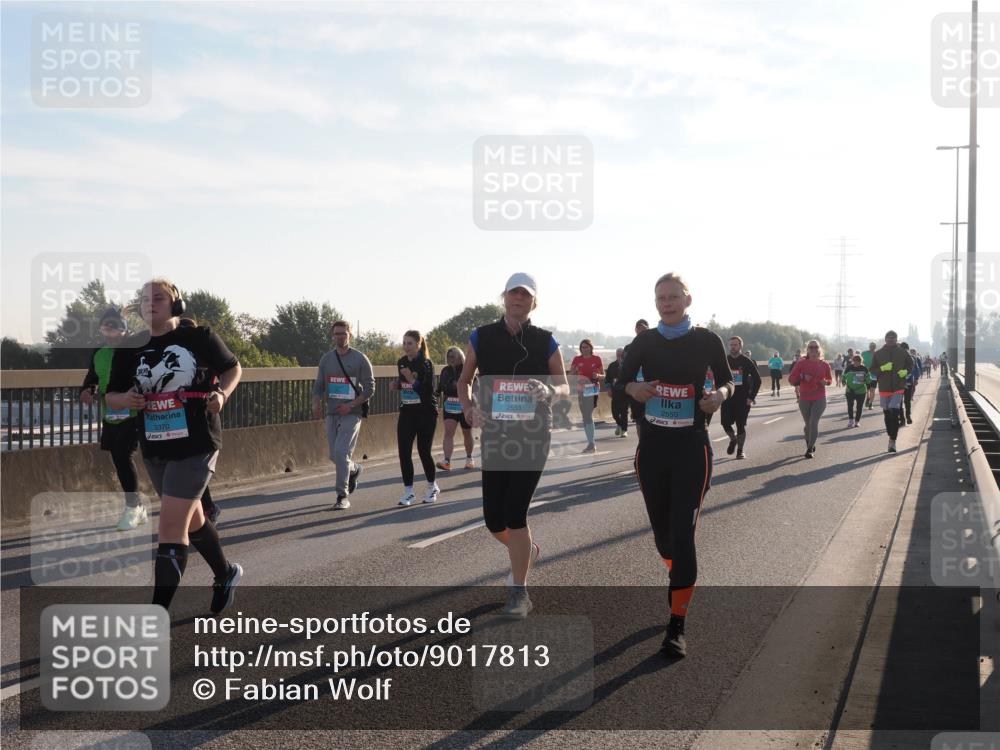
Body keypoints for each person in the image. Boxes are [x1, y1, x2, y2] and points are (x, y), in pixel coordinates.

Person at [106, 279, 243, 614]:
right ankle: (225, 573)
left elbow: (233, 368)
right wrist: (126, 399)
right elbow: (111, 396)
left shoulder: (199, 338)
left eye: (159, 298)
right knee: (191, 519)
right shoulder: (129, 348)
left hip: (197, 444)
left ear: (175, 304)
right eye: (144, 299)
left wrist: (222, 394)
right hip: (155, 445)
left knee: (169, 526)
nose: (150, 303)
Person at [620, 272, 732, 659]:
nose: (666, 303)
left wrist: (719, 395)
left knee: (683, 537)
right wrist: (633, 387)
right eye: (660, 298)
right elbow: (618, 382)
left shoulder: (707, 340)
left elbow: (728, 381)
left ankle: (677, 623)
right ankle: (678, 572)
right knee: (664, 539)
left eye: (673, 297)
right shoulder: (645, 341)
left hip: (691, 450)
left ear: (687, 299)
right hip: (652, 450)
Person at [457, 272, 569, 619]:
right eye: (513, 293)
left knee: (515, 513)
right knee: (494, 520)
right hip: (496, 434)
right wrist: (469, 408)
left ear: (534, 302)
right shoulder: (481, 336)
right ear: (503, 297)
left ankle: (519, 592)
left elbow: (564, 386)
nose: (518, 298)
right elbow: (464, 381)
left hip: (533, 435)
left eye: (525, 294)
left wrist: (549, 391)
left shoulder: (545, 341)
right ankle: (526, 551)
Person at [81, 307, 145, 531]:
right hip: (110, 413)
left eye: (113, 328)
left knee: (122, 454)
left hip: (134, 412)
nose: (108, 332)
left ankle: (133, 507)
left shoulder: (134, 349)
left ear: (123, 329)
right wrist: (87, 390)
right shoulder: (99, 352)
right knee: (118, 458)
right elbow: (92, 378)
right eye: (105, 328)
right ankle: (138, 506)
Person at [312, 321, 375, 510]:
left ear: (350, 335)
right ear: (332, 336)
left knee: (341, 453)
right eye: (337, 334)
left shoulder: (360, 359)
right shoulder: (326, 359)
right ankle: (354, 469)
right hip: (332, 412)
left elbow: (370, 388)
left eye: (343, 333)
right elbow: (319, 385)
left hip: (352, 413)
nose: (340, 337)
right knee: (335, 455)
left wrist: (351, 405)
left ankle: (342, 495)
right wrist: (316, 404)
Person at [391, 331, 440, 505]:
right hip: (407, 412)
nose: (406, 346)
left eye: (410, 343)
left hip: (426, 413)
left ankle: (432, 486)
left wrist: (411, 379)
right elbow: (404, 383)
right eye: (404, 343)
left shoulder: (426, 364)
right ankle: (409, 492)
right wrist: (397, 385)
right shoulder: (401, 362)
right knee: (404, 452)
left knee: (423, 451)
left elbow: (428, 391)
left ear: (419, 344)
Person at [787, 340, 832, 458]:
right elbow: (791, 379)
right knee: (808, 425)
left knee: (813, 422)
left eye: (815, 347)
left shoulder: (825, 365)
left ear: (819, 349)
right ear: (807, 349)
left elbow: (829, 380)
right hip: (805, 397)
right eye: (811, 347)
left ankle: (810, 448)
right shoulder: (801, 363)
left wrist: (826, 382)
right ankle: (809, 442)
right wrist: (802, 376)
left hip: (819, 397)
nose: (813, 349)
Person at [871, 330, 911, 453]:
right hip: (884, 388)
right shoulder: (878, 354)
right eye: (889, 339)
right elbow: (872, 370)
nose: (891, 341)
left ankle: (892, 441)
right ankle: (891, 435)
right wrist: (882, 368)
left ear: (896, 340)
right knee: (887, 414)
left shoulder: (902, 352)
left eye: (893, 340)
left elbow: (910, 364)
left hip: (898, 387)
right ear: (885, 340)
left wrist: (906, 371)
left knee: (894, 412)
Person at [720, 336, 761, 459]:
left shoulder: (746, 361)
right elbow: (717, 377)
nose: (733, 347)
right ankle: (733, 439)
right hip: (727, 398)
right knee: (725, 423)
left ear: (740, 346)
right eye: (731, 345)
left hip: (742, 399)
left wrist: (751, 397)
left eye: (735, 345)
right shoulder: (725, 360)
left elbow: (758, 380)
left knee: (740, 425)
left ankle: (740, 451)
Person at [436, 346, 476, 471]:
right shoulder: (445, 371)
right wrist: (434, 397)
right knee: (448, 432)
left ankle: (469, 459)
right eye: (448, 357)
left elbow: (473, 385)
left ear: (460, 357)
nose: (450, 359)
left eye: (453, 356)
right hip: (450, 407)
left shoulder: (467, 369)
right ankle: (447, 461)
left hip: (465, 406)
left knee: (467, 433)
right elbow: (441, 387)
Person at [570, 339, 605, 453]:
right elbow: (571, 375)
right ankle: (591, 442)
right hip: (581, 390)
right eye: (582, 347)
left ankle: (591, 444)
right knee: (585, 416)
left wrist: (597, 375)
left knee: (588, 414)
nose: (584, 349)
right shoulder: (577, 359)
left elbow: (603, 375)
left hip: (592, 389)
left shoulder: (597, 359)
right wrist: (574, 372)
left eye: (586, 347)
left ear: (591, 347)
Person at [624, 319, 650, 425]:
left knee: (651, 419)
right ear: (635, 330)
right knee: (639, 420)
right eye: (639, 328)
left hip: (651, 386)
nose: (641, 330)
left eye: (644, 328)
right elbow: (625, 369)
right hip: (636, 388)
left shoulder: (655, 346)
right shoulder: (629, 348)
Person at [604, 347, 630, 437]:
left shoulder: (628, 365)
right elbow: (607, 379)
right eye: (618, 355)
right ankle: (619, 424)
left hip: (625, 392)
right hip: (615, 393)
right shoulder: (612, 366)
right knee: (614, 413)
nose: (619, 356)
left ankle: (624, 430)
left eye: (621, 355)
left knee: (624, 412)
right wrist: (608, 389)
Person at [842, 354, 870, 427]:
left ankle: (857, 421)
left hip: (861, 391)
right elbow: (844, 376)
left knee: (859, 407)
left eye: (858, 361)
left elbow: (868, 379)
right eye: (855, 361)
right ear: (853, 361)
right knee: (850, 406)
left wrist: (868, 389)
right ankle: (851, 420)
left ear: (861, 361)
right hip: (850, 390)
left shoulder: (864, 369)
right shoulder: (849, 368)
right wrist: (843, 381)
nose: (856, 362)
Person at [861, 342, 877, 409]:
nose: (872, 347)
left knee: (871, 389)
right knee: (868, 389)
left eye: (873, 346)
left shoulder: (877, 354)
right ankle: (868, 399)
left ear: (875, 347)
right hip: (865, 374)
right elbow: (860, 362)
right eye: (871, 346)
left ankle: (870, 402)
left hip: (873, 374)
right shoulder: (864, 353)